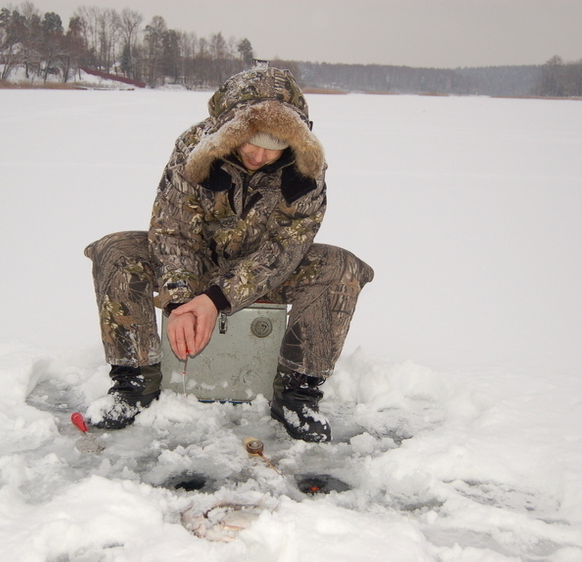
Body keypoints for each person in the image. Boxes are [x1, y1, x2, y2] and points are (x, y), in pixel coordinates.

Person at [84, 63, 373, 443]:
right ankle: (134, 382)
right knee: (117, 249)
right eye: (251, 143)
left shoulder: (306, 168)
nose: (259, 156)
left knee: (341, 267)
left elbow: (286, 249)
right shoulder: (194, 148)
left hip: (264, 273)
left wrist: (217, 299)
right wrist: (182, 300)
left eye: (273, 149)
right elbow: (173, 230)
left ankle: (298, 395)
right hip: (197, 265)